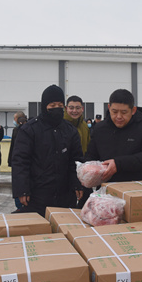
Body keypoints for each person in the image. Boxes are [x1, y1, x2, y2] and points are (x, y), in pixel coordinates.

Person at [12, 85, 84, 216]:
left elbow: (76, 160)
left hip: (65, 195)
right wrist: (22, 189)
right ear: (44, 106)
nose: (57, 108)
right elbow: (20, 161)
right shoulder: (30, 130)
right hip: (37, 195)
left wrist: (77, 184)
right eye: (52, 105)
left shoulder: (70, 131)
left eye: (60, 105)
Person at [85, 89, 142, 182]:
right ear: (109, 107)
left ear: (133, 110)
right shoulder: (100, 128)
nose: (119, 116)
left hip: (137, 186)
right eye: (114, 111)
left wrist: (118, 164)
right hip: (106, 187)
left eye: (124, 112)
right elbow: (91, 156)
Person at [8, 111, 28, 212]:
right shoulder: (16, 130)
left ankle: (22, 206)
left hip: (23, 161)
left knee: (21, 183)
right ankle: (19, 207)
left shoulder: (24, 129)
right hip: (15, 161)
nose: (14, 121)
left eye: (15, 118)